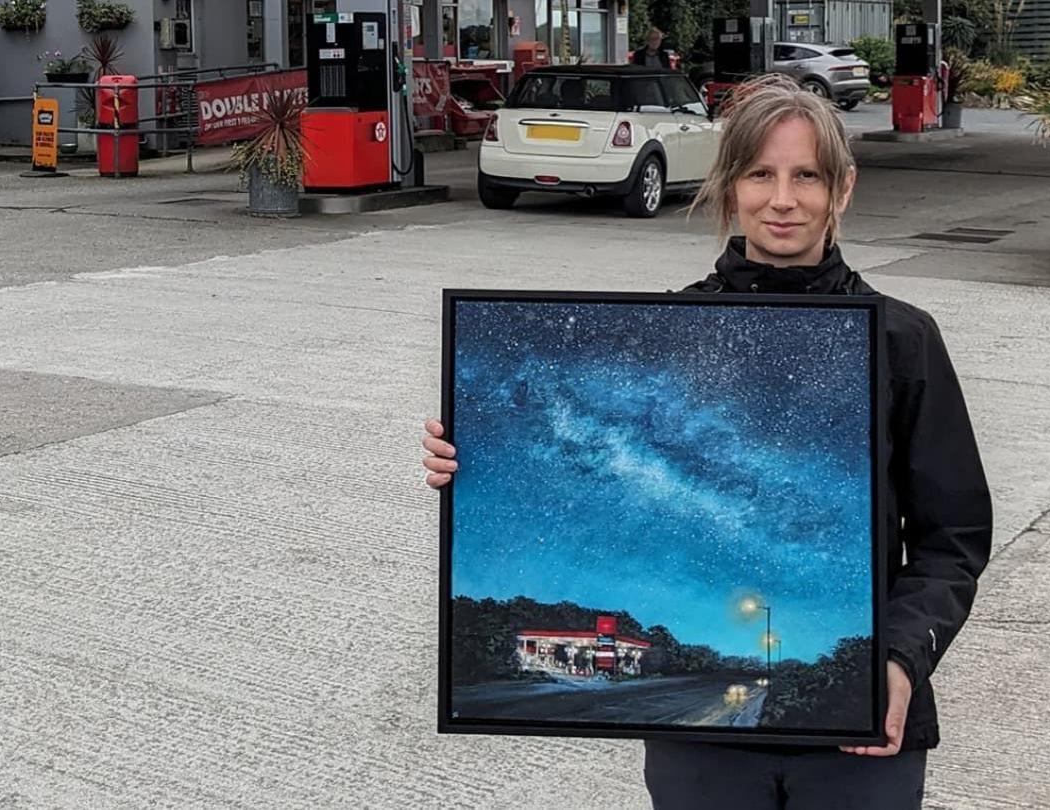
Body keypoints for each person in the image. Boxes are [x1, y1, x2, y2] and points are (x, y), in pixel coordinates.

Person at [422, 73, 992, 809]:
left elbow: (954, 540)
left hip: (866, 729)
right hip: (707, 757)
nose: (783, 199)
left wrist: (899, 659)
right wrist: (471, 466)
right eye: (761, 174)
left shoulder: (903, 338)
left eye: (807, 177)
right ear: (729, 187)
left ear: (842, 190)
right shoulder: (673, 333)